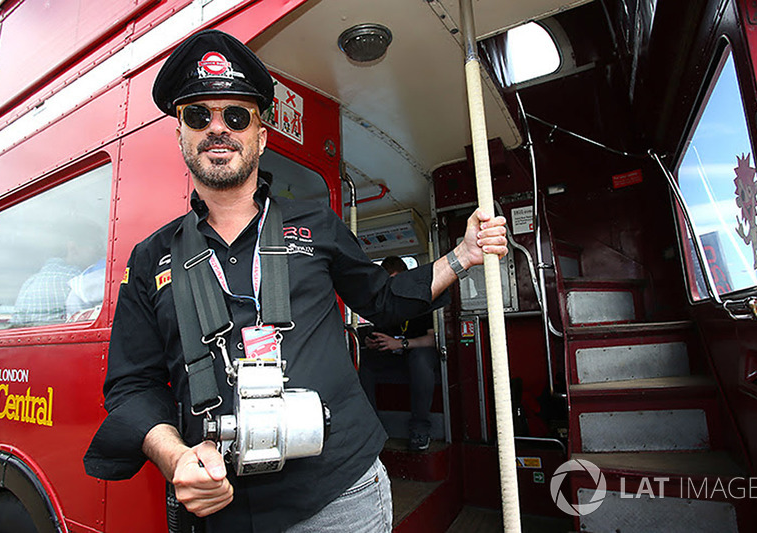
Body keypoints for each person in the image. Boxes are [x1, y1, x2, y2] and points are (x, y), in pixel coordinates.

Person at [83, 29, 507, 532]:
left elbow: (385, 300)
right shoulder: (149, 257)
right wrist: (174, 458)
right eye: (199, 116)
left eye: (236, 116)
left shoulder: (320, 226)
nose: (217, 129)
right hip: (220, 511)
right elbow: (133, 384)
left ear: (261, 136)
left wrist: (462, 255)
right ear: (180, 133)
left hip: (339, 495)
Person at [360, 256, 440, 452]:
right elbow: (381, 334)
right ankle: (372, 427)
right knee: (364, 362)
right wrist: (371, 342)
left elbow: (432, 339)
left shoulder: (422, 300)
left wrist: (402, 343)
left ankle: (420, 428)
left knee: (419, 358)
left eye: (398, 279)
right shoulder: (387, 303)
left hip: (419, 356)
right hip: (395, 357)